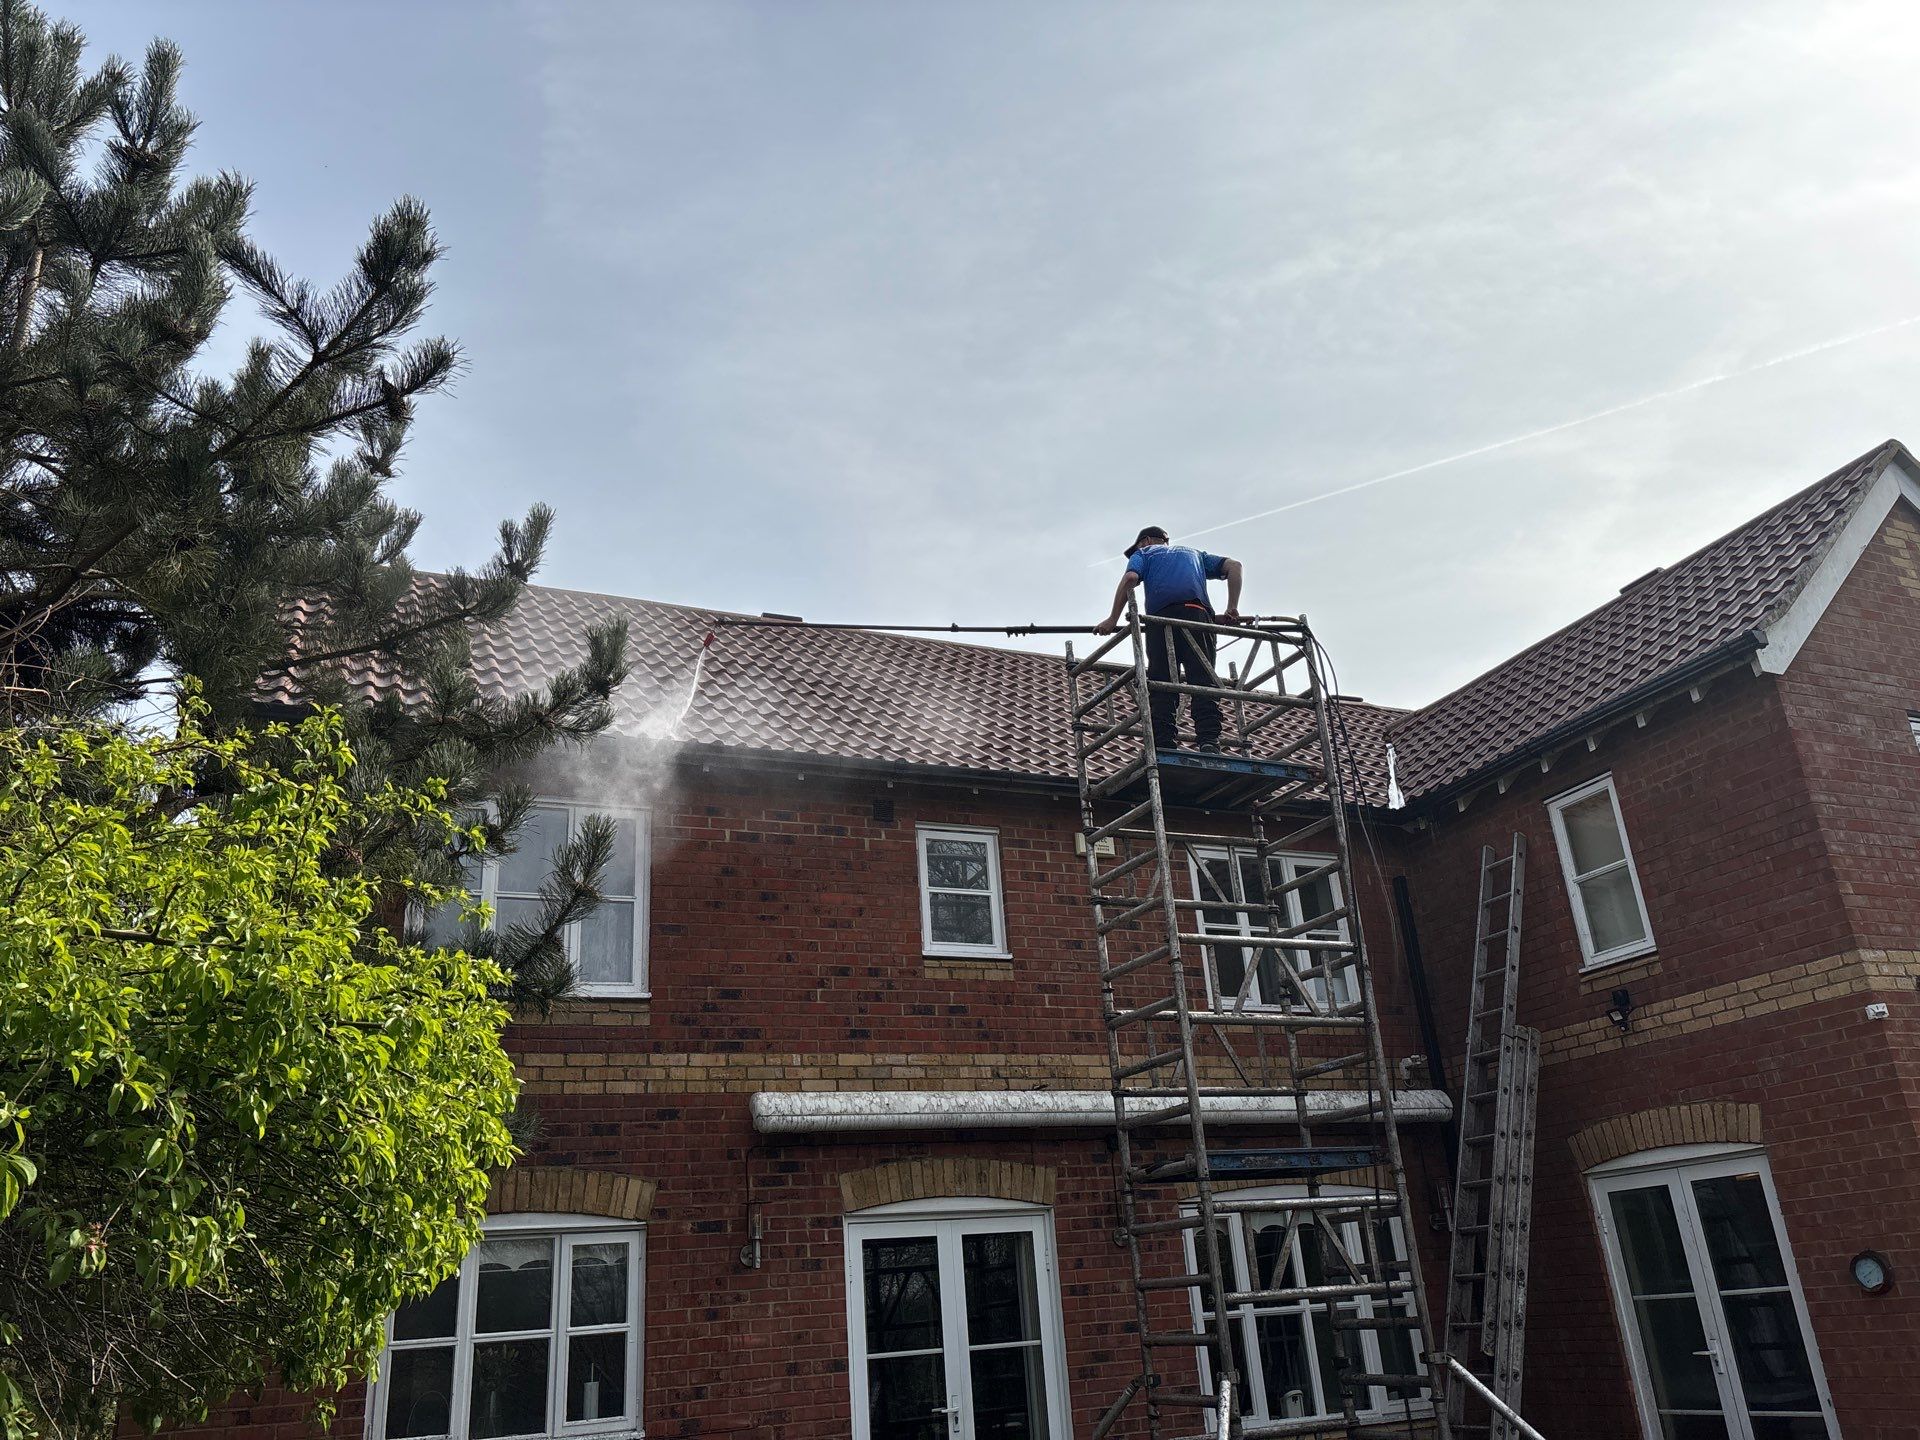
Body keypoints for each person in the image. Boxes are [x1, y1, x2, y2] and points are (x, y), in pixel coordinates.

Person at [1094, 526, 1244, 752]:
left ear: (1144, 541)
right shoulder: (1194, 554)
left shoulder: (1144, 553)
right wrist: (1232, 609)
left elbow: (1131, 578)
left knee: (1162, 681)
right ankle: (1209, 741)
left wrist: (1112, 619)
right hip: (1197, 615)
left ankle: (1164, 743)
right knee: (1203, 680)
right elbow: (1235, 566)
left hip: (1161, 619)